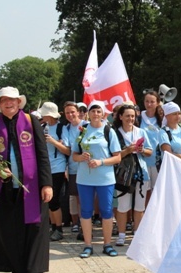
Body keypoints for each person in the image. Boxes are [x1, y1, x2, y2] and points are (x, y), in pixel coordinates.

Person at [0, 87, 53, 273]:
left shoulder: (31, 122)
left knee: (35, 228)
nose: (8, 103)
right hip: (6, 188)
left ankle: (35, 272)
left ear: (19, 102)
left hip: (33, 187)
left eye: (12, 100)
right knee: (10, 230)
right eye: (4, 100)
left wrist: (47, 184)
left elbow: (42, 155)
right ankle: (17, 270)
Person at [72, 100, 122, 259]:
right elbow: (74, 156)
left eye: (98, 111)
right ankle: (88, 245)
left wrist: (100, 162)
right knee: (86, 211)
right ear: (88, 113)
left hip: (105, 179)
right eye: (92, 111)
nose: (95, 114)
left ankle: (107, 244)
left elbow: (117, 157)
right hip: (84, 178)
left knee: (106, 211)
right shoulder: (82, 130)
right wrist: (81, 157)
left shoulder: (109, 131)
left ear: (103, 114)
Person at [113, 104, 152, 246]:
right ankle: (121, 235)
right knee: (123, 206)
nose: (130, 118)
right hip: (123, 174)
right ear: (121, 117)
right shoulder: (114, 133)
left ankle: (137, 234)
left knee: (139, 206)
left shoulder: (141, 131)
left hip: (141, 172)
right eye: (127, 115)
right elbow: (114, 154)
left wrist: (141, 150)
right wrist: (128, 150)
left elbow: (150, 151)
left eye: (132, 116)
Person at [37, 101, 69, 242]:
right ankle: (53, 227)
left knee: (54, 199)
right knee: (47, 199)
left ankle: (59, 229)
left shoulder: (62, 128)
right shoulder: (42, 127)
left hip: (58, 167)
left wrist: (53, 142)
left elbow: (67, 150)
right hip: (45, 167)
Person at [62, 102, 83, 234]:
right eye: (67, 113)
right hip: (73, 167)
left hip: (86, 166)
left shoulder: (86, 125)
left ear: (78, 111)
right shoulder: (66, 128)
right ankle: (76, 222)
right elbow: (67, 149)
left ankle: (84, 221)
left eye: (72, 112)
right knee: (74, 196)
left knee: (84, 197)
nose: (70, 115)